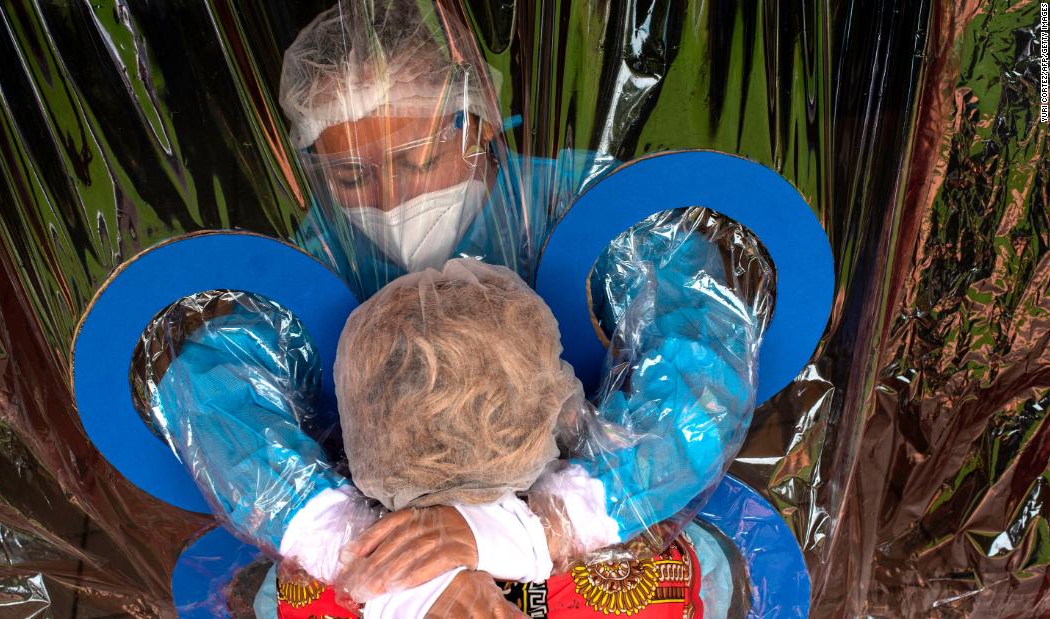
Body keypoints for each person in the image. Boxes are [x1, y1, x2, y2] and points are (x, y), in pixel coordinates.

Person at [138, 208, 773, 618]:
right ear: (559, 404)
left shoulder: (297, 594)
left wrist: (357, 551)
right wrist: (545, 525)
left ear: (356, 424)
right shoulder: (672, 574)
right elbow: (700, 392)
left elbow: (204, 381)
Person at [278, 0, 611, 299]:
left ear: (481, 124)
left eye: (421, 162)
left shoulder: (578, 198)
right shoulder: (317, 256)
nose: (392, 202)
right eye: (351, 176)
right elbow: (252, 342)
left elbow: (659, 299)